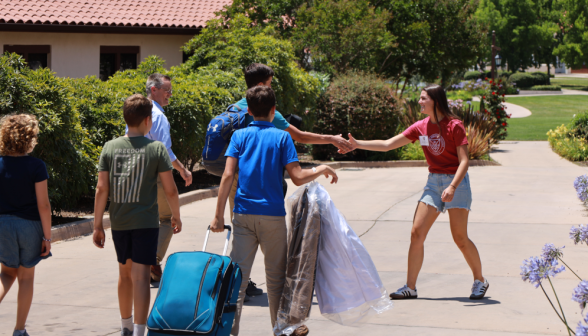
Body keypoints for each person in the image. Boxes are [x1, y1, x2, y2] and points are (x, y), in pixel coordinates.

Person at [210, 86, 338, 336]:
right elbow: (298, 177)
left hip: (243, 215)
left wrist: (218, 215)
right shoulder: (282, 137)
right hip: (272, 217)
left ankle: (227, 332)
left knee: (237, 281)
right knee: (277, 280)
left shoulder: (239, 136)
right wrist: (321, 168)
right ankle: (281, 331)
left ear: (248, 111)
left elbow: (227, 176)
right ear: (273, 111)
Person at [343, 84, 489, 300]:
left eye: (423, 98)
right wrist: (357, 144)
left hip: (455, 182)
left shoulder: (454, 125)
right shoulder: (420, 127)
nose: (419, 102)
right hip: (433, 182)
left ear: (435, 101)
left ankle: (480, 280)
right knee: (416, 233)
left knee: (460, 238)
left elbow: (464, 160)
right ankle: (410, 287)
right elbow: (387, 144)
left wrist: (452, 187)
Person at [229, 63, 352, 300]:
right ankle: (282, 326)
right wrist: (330, 140)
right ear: (263, 85)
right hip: (268, 199)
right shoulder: (272, 115)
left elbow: (226, 174)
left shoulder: (237, 107)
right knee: (276, 274)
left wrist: (216, 213)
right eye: (270, 83)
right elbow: (299, 137)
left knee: (241, 250)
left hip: (239, 182)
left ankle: (236, 299)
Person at [94, 94, 183, 336]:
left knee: (124, 274)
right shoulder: (156, 148)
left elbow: (102, 188)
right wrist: (176, 216)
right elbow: (171, 189)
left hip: (120, 221)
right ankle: (139, 331)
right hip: (146, 223)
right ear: (148, 121)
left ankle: (125, 326)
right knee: (142, 276)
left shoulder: (110, 147)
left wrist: (97, 225)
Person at [0, 114, 52, 336]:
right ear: (30, 138)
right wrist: (47, 238)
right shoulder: (36, 166)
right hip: (29, 226)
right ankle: (19, 330)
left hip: (2, 225)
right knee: (26, 277)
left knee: (6, 274)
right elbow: (44, 206)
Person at [137, 73, 192, 282]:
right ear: (154, 90)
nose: (170, 94)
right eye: (167, 90)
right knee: (167, 219)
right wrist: (181, 170)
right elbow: (165, 152)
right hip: (156, 172)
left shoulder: (137, 114)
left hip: (138, 172)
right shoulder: (157, 116)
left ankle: (143, 262)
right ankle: (152, 259)